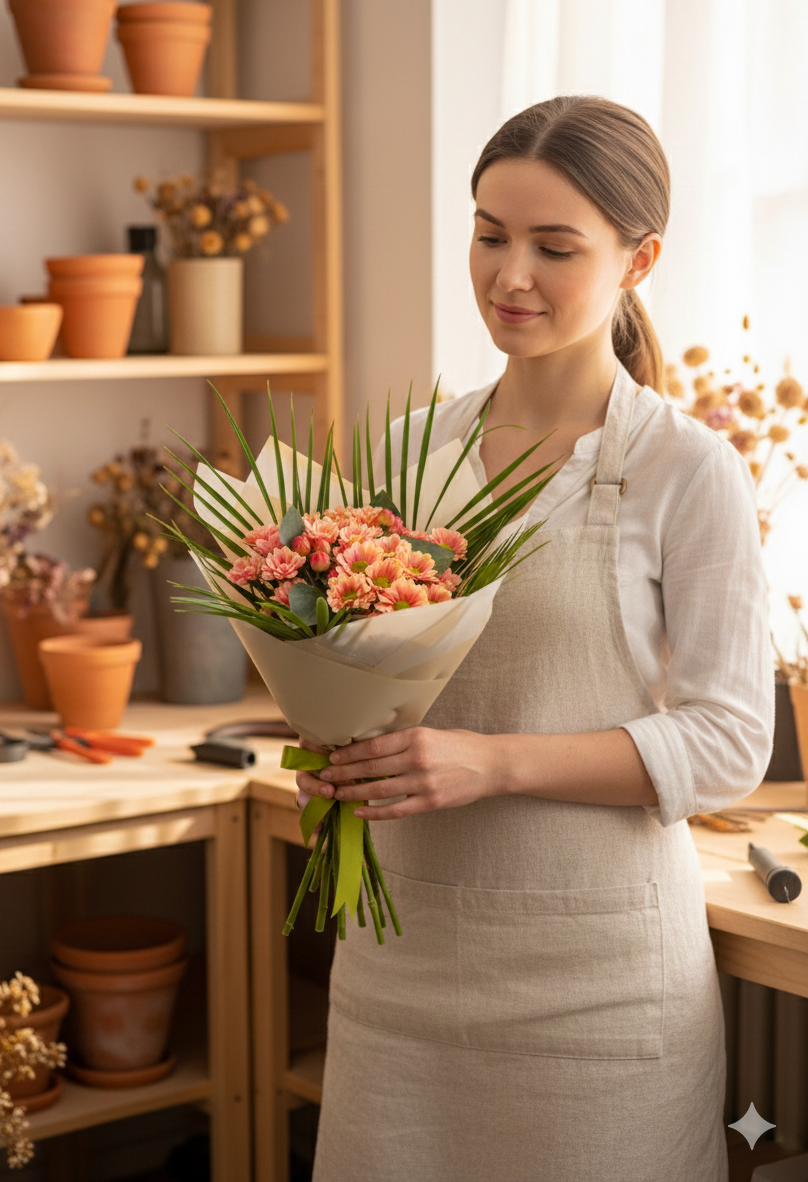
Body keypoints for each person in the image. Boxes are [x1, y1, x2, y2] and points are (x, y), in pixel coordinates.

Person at [295, 95, 774, 1182]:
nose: (509, 276)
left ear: (639, 259)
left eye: (555, 247)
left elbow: (730, 741)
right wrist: (340, 741)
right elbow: (381, 672)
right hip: (400, 973)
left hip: (598, 1000)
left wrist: (492, 761)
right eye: (488, 233)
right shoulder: (419, 447)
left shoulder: (684, 468)